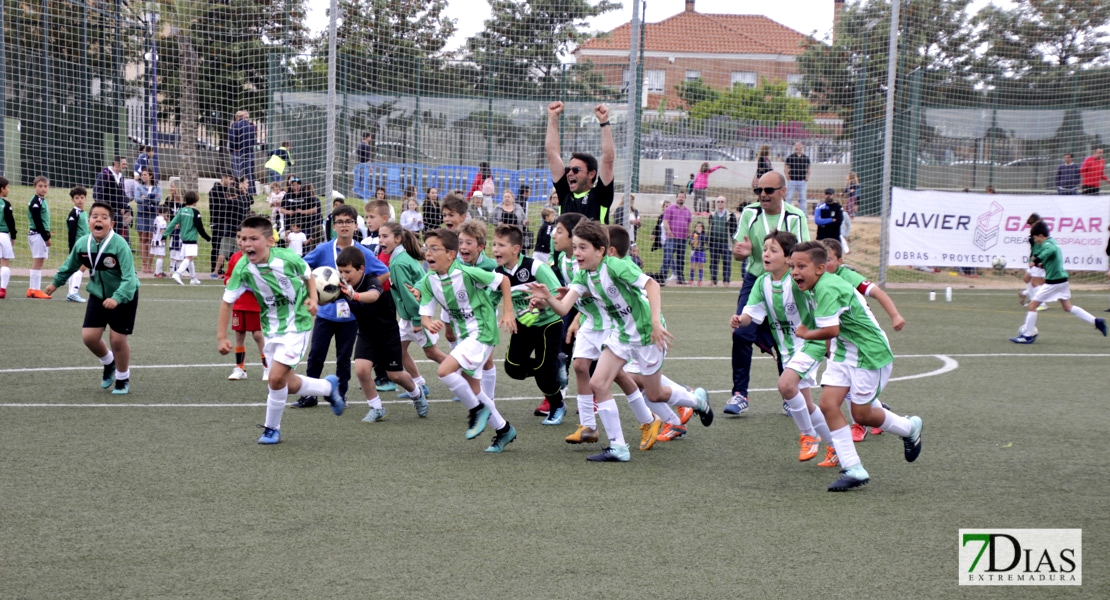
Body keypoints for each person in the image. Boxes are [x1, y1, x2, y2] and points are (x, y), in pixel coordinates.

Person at [528, 219, 712, 462]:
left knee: (655, 394)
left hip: (646, 332)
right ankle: (618, 447)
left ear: (601, 250)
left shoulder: (615, 266)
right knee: (598, 383)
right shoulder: (583, 275)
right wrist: (546, 298)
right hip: (621, 333)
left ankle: (696, 400)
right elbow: (563, 308)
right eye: (575, 246)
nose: (577, 253)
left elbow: (652, 285)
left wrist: (656, 322)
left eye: (583, 247)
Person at [790, 240, 923, 491]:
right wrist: (825, 345)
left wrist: (806, 335)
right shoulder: (811, 286)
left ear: (820, 269)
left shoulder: (828, 287)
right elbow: (824, 325)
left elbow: (830, 328)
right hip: (844, 350)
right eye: (792, 266)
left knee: (862, 415)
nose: (795, 271)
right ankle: (853, 468)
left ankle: (909, 427)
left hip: (869, 352)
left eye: (801, 266)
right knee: (829, 404)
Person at [218, 215, 345, 445]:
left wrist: (314, 300)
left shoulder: (288, 258)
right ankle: (327, 387)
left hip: (298, 324)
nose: (247, 243)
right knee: (287, 381)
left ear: (269, 241)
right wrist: (221, 336)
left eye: (253, 238)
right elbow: (227, 301)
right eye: (243, 238)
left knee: (275, 379)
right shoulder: (242, 268)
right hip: (271, 328)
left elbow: (308, 276)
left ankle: (271, 429)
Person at [730, 231, 836, 465]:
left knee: (786, 385)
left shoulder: (798, 281)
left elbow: (819, 303)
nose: (766, 254)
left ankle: (809, 436)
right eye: (765, 249)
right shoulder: (762, 282)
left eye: (773, 250)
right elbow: (752, 313)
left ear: (789, 258)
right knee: (807, 405)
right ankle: (835, 447)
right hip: (788, 350)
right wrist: (740, 319)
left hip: (811, 343)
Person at [418, 228, 518, 453]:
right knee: (474, 390)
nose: (429, 253)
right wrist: (427, 322)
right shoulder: (429, 280)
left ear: (451, 254)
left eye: (435, 249)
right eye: (427, 248)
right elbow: (425, 312)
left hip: (482, 331)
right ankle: (504, 430)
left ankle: (476, 411)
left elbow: (503, 280)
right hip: (465, 335)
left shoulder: (467, 273)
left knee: (444, 371)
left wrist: (508, 312)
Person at [727, 170, 809, 415]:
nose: (762, 195)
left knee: (786, 334)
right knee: (741, 333)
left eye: (768, 190)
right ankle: (740, 394)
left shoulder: (796, 217)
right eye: (759, 190)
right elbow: (738, 252)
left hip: (788, 282)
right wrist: (741, 251)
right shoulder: (750, 213)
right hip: (755, 281)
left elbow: (803, 253)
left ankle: (790, 394)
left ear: (783, 191)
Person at [292, 204, 389, 409]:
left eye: (348, 221)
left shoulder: (362, 252)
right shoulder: (323, 249)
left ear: (355, 225)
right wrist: (314, 292)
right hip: (325, 313)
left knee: (344, 358)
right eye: (340, 222)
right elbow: (302, 268)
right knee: (316, 354)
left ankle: (341, 394)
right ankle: (309, 395)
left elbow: (384, 271)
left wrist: (361, 289)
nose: (344, 225)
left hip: (351, 316)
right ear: (334, 226)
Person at [44, 201, 141, 395]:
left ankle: (122, 378)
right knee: (89, 338)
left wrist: (118, 298)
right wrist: (56, 283)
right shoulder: (83, 244)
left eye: (104, 217)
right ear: (88, 222)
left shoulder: (120, 244)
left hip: (124, 295)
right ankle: (109, 362)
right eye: (95, 216)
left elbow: (130, 279)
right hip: (97, 294)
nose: (99, 220)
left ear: (112, 224)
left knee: (117, 341)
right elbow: (69, 265)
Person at [820, 237, 907, 442]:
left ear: (840, 261)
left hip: (863, 340)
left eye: (829, 259)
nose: (824, 264)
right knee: (838, 391)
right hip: (841, 340)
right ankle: (872, 415)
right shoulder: (817, 281)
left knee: (854, 391)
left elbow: (877, 292)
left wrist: (895, 315)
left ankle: (862, 423)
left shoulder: (847, 276)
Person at [336, 246, 428, 422]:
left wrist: (354, 295)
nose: (344, 276)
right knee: (362, 370)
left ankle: (417, 394)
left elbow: (373, 296)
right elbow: (325, 296)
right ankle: (376, 408)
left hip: (388, 334)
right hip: (366, 333)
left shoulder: (371, 281)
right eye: (340, 272)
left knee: (395, 375)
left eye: (347, 271)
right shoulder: (342, 285)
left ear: (361, 268)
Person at [489, 223, 567, 424]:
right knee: (513, 368)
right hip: (524, 323)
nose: (495, 249)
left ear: (515, 249)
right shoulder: (497, 273)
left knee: (543, 371)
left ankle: (557, 405)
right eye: (494, 244)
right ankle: (555, 365)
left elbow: (560, 297)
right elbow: (489, 299)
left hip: (549, 324)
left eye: (501, 245)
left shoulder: (535, 267)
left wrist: (543, 303)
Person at [1010, 220, 1108, 343]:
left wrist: (1036, 260)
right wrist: (1040, 263)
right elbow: (1050, 259)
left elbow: (1049, 251)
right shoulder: (1053, 242)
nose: (1036, 241)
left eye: (1036, 238)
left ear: (1041, 235)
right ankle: (1096, 321)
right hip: (1062, 281)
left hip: (1054, 283)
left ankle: (1027, 336)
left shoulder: (1048, 245)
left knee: (1032, 306)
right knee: (1067, 307)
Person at [380, 222, 443, 401]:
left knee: (432, 353)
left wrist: (417, 320)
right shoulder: (400, 258)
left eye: (385, 236)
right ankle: (420, 384)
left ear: (398, 239)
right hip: (408, 317)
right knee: (398, 351)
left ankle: (467, 377)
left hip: (415, 316)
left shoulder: (398, 263)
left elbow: (409, 295)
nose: (381, 240)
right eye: (380, 236)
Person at [545, 101, 615, 222]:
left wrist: (604, 121)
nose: (570, 173)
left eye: (576, 170)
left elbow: (608, 160)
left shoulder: (600, 195)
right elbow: (552, 154)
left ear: (591, 174)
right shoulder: (565, 192)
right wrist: (553, 117)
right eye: (569, 169)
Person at [223, 247, 268, 381]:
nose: (241, 241)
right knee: (239, 334)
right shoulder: (235, 257)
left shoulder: (259, 257)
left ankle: (267, 368)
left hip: (255, 303)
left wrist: (251, 286)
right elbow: (228, 276)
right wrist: (229, 282)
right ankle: (240, 368)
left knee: (258, 335)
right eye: (239, 238)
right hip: (238, 303)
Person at [162, 191, 211, 285]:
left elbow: (172, 223)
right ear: (196, 201)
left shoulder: (181, 211)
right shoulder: (195, 212)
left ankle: (193, 278)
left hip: (183, 239)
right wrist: (207, 237)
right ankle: (177, 274)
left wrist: (165, 234)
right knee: (189, 258)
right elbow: (200, 227)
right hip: (191, 240)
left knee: (190, 259)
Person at [26, 176, 52, 299]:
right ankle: (35, 289)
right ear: (34, 187)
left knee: (39, 261)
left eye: (45, 186)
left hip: (38, 234)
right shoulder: (36, 201)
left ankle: (32, 289)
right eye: (40, 186)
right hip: (37, 234)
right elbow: (37, 221)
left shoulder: (42, 200)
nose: (43, 189)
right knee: (38, 261)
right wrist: (46, 237)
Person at [93, 156, 129, 243]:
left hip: (118, 213)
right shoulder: (105, 174)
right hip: (107, 213)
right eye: (123, 164)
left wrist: (124, 206)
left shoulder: (121, 177)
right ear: (117, 164)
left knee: (117, 236)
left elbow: (122, 194)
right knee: (106, 235)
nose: (126, 166)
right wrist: (103, 208)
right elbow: (97, 193)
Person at [132, 169, 161, 274]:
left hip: (153, 215)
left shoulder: (157, 187)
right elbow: (137, 199)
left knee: (151, 239)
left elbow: (159, 200)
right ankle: (144, 264)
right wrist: (151, 198)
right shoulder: (139, 187)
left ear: (151, 176)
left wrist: (145, 198)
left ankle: (150, 264)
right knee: (143, 239)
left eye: (145, 175)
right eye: (142, 175)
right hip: (142, 214)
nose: (143, 176)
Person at [64, 187, 90, 303]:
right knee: (82, 267)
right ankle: (74, 292)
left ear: (85, 199)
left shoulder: (84, 213)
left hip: (85, 243)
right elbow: (72, 231)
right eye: (77, 198)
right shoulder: (74, 214)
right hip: (79, 245)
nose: (80, 200)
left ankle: (71, 292)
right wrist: (73, 247)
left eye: (82, 197)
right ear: (72, 200)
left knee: (77, 268)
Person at [661, 191, 692, 284]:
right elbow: (665, 221)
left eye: (683, 197)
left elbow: (689, 223)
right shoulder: (670, 209)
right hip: (672, 238)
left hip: (682, 239)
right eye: (679, 197)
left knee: (681, 259)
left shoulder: (687, 211)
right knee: (667, 257)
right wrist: (669, 232)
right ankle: (662, 278)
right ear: (676, 198)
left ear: (685, 198)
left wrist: (689, 233)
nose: (681, 198)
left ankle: (680, 278)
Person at [707, 196, 737, 286]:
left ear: (725, 203)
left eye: (722, 202)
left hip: (726, 243)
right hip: (714, 243)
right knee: (713, 262)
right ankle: (713, 280)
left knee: (727, 262)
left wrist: (732, 239)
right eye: (718, 201)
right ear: (716, 203)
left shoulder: (730, 215)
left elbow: (734, 228)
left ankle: (726, 281)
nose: (720, 203)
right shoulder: (712, 215)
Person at [229, 110, 258, 180]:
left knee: (237, 173)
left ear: (236, 117)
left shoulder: (235, 126)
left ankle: (239, 188)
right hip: (248, 152)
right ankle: (250, 189)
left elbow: (231, 140)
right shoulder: (251, 127)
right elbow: (254, 140)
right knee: (248, 173)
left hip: (238, 152)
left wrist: (232, 149)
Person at [784, 142, 811, 214]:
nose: (797, 147)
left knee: (803, 199)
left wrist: (807, 178)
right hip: (792, 181)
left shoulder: (806, 158)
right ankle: (786, 212)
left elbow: (809, 168)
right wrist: (788, 179)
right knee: (789, 198)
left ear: (802, 147)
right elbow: (786, 168)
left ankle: (803, 214)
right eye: (796, 145)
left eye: (798, 145)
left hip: (802, 181)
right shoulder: (791, 157)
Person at [0, 176, 14, 299]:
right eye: (7, 187)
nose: (8, 190)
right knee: (5, 263)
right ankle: (2, 290)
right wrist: (13, 236)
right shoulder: (5, 204)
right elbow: (10, 221)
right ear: (2, 189)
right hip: (3, 235)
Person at [151, 205, 170, 278]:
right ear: (166, 212)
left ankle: (159, 271)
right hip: (160, 240)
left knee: (160, 256)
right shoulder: (163, 221)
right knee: (161, 256)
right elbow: (163, 231)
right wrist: (169, 230)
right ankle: (157, 273)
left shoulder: (156, 219)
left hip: (155, 239)